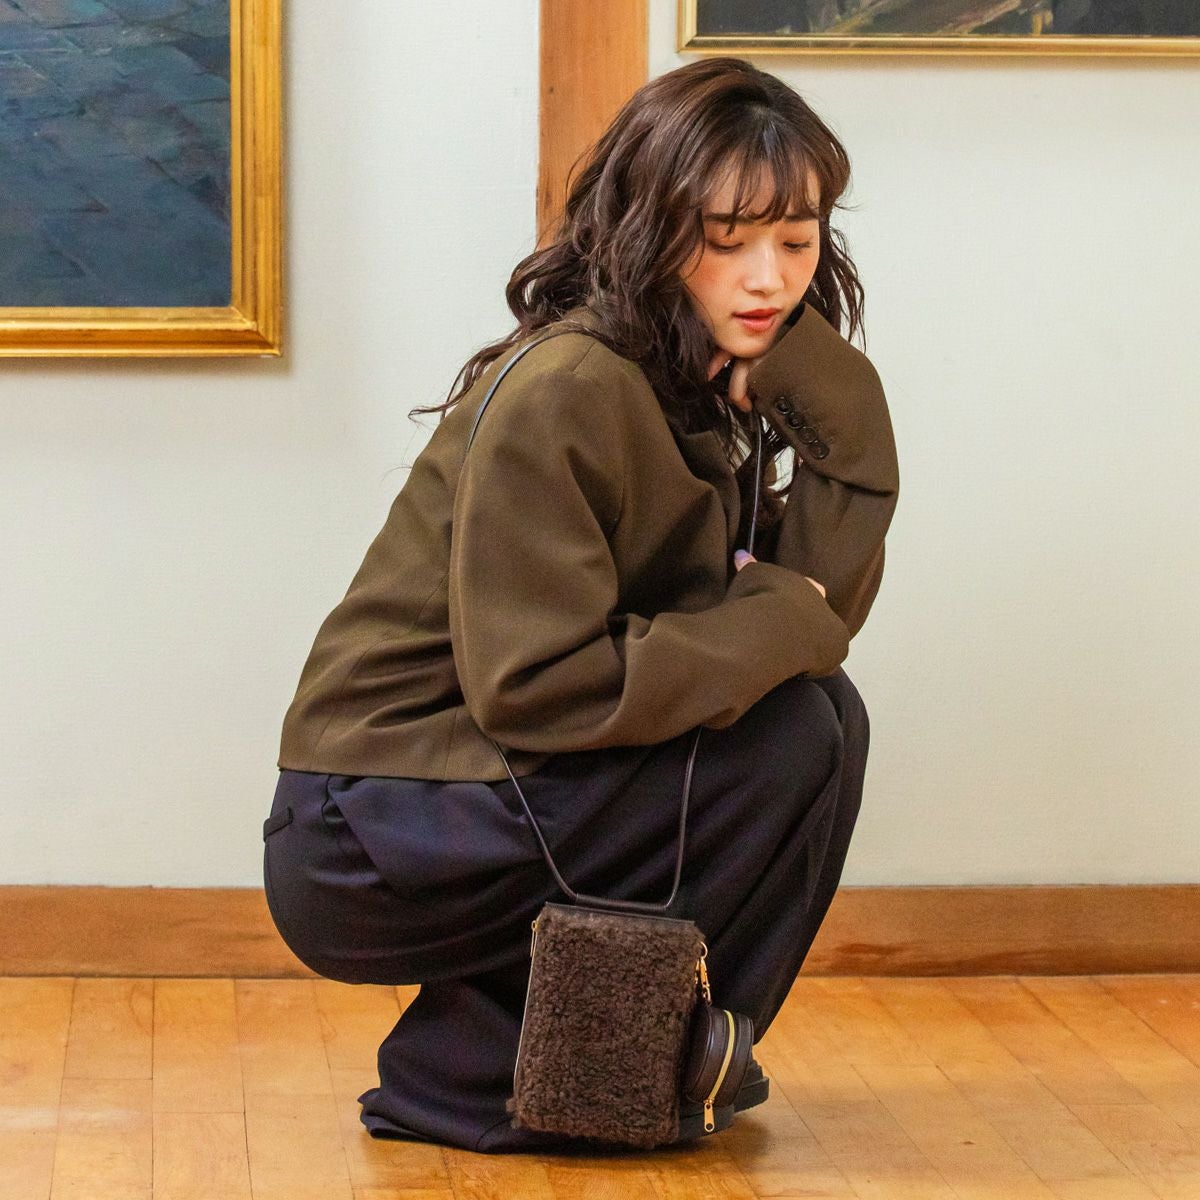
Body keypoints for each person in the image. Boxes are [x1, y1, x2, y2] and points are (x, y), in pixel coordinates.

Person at [262, 56, 899, 1154]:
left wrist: (837, 396)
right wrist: (785, 620)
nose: (768, 279)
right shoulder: (571, 386)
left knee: (818, 714)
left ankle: (595, 1066)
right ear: (654, 230)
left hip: (483, 791)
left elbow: (814, 611)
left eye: (796, 243)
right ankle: (516, 1078)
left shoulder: (691, 385)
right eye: (726, 240)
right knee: (795, 730)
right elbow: (541, 689)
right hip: (371, 826)